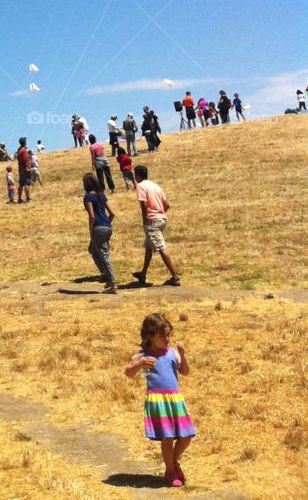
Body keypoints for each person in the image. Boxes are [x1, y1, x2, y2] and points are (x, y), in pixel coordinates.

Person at [125, 313, 195, 487]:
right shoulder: (144, 356)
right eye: (162, 335)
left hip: (175, 399)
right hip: (158, 401)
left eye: (168, 334)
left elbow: (185, 371)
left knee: (187, 436)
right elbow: (128, 372)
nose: (167, 338)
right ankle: (170, 471)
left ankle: (173, 462)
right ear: (149, 337)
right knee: (167, 437)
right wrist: (140, 364)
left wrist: (183, 355)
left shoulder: (172, 353)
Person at [133, 165, 180, 287]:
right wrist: (160, 213)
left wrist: (145, 219)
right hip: (162, 219)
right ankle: (143, 274)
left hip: (152, 220)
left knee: (160, 247)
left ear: (137, 175)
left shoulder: (141, 186)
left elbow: (143, 204)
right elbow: (167, 205)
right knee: (149, 247)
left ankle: (175, 276)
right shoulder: (156, 186)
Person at [82, 174, 116, 293]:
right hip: (107, 226)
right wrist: (106, 224)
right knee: (93, 250)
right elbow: (112, 213)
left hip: (98, 228)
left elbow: (91, 215)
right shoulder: (102, 195)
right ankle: (106, 273)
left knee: (104, 255)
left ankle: (112, 284)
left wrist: (91, 229)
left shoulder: (88, 197)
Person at [15, 137, 33, 203]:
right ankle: (28, 198)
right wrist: (28, 168)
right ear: (24, 142)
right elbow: (26, 160)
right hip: (25, 169)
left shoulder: (19, 149)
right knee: (27, 184)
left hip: (20, 169)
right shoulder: (24, 150)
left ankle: (19, 199)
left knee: (21, 184)